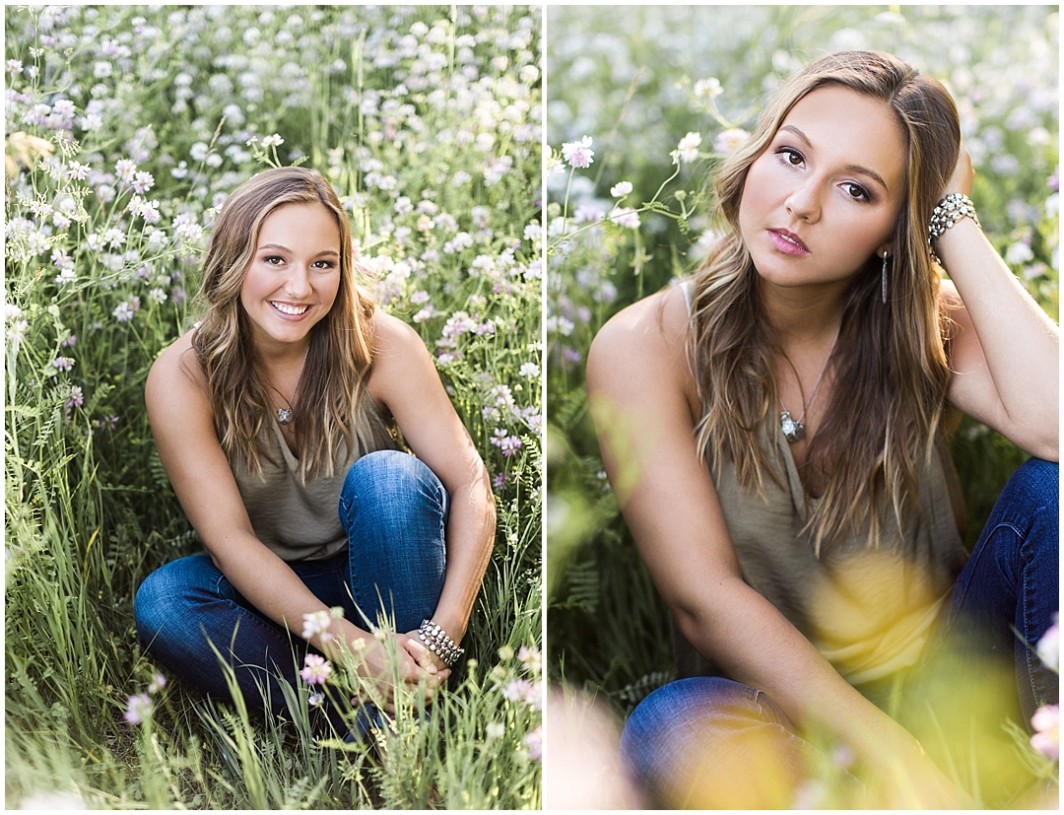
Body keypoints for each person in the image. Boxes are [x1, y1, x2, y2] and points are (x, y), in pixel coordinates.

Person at [586, 51, 1058, 808]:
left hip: (952, 681)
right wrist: (897, 756)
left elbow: (1058, 429)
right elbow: (702, 598)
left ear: (891, 230)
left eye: (856, 189)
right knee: (670, 725)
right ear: (755, 156)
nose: (801, 203)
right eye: (791, 154)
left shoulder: (922, 319)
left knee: (1054, 493)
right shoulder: (646, 346)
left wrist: (950, 220)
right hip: (786, 718)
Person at [134, 167, 496, 737]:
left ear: (342, 269)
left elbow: (470, 483)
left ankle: (399, 705)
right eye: (274, 260)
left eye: (322, 264)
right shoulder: (183, 377)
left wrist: (443, 633)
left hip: (384, 571)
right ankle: (353, 711)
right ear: (233, 263)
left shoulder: (381, 344)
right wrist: (349, 647)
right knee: (166, 601)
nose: (300, 288)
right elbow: (230, 542)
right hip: (277, 592)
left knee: (392, 480)